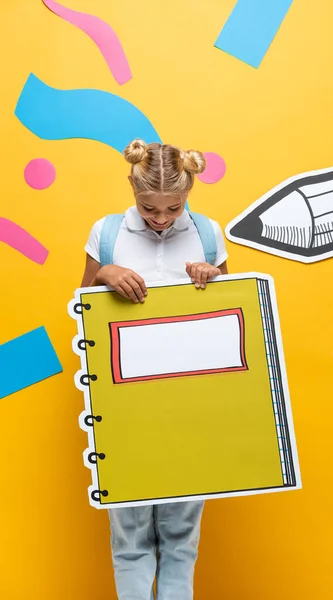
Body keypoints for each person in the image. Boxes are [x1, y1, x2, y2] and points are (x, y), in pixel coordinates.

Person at [80, 139, 228, 600]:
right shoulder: (106, 233)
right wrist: (105, 275)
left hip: (192, 408)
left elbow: (232, 317)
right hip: (124, 410)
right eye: (148, 207)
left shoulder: (207, 233)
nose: (161, 218)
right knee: (129, 536)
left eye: (173, 207)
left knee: (182, 535)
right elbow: (80, 307)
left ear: (188, 194)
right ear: (131, 187)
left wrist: (214, 277)